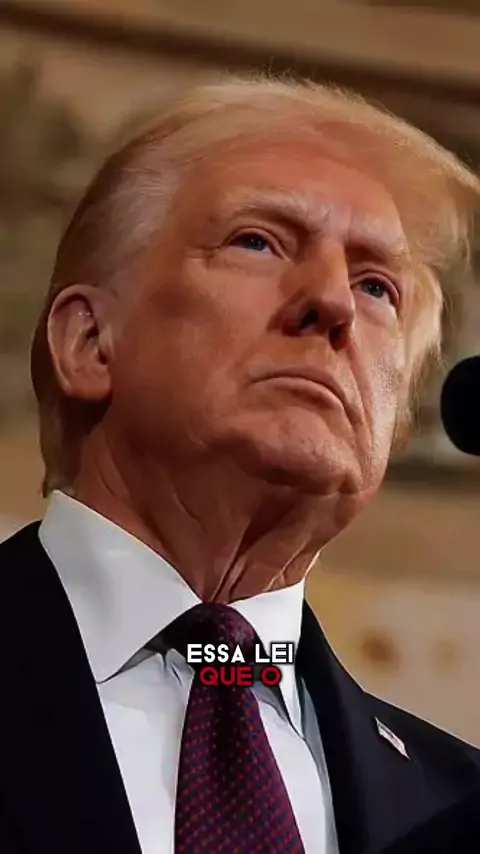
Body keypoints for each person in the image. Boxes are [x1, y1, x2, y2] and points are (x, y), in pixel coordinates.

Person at [1, 74, 480, 854]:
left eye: (376, 287)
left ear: (396, 419)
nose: (334, 302)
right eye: (257, 241)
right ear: (89, 343)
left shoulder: (457, 809)